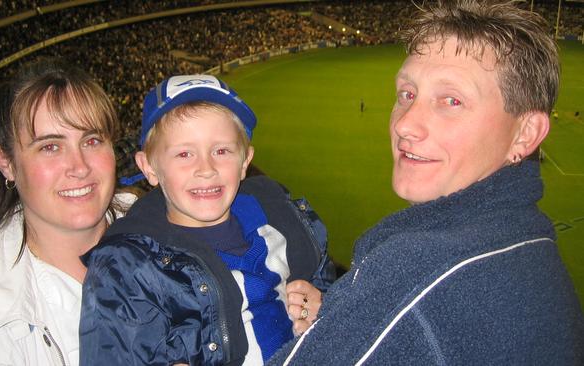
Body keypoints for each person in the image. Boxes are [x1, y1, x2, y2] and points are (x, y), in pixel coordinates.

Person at [269, 1, 584, 364]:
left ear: (526, 134)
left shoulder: (416, 274)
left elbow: (424, 302)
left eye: (451, 100)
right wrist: (349, 322)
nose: (404, 124)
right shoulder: (531, 241)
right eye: (407, 94)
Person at [79, 75, 335, 365]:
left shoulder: (286, 221)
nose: (206, 168)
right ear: (149, 167)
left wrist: (322, 302)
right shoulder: (128, 268)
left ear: (245, 161)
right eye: (185, 153)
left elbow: (326, 286)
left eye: (221, 151)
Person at [0, 59, 134, 365]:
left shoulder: (173, 230)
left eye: (92, 141)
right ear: (5, 162)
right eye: (50, 147)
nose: (79, 167)